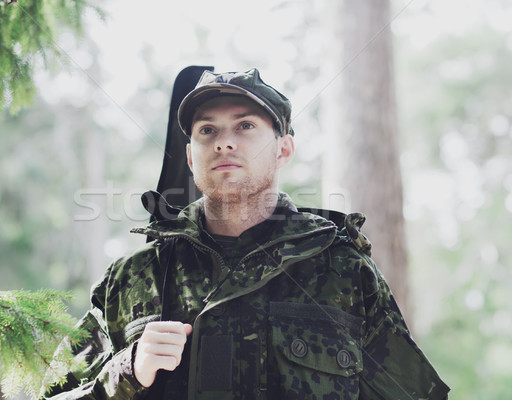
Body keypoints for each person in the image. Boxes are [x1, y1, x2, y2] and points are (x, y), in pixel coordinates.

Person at [42, 68, 450, 399]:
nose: (224, 143)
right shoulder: (134, 278)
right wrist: (125, 371)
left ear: (283, 150)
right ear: (190, 155)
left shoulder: (342, 271)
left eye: (245, 126)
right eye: (208, 131)